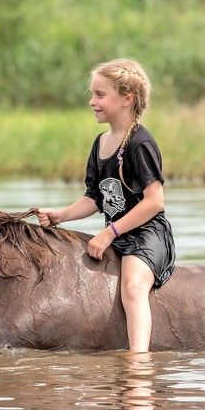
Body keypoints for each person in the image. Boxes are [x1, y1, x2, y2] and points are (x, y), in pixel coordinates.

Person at [38, 58, 176, 352]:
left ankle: (138, 362)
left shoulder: (141, 143)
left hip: (146, 235)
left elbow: (155, 202)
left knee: (133, 287)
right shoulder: (100, 142)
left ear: (127, 98)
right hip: (119, 233)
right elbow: (94, 198)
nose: (92, 102)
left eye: (100, 95)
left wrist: (110, 232)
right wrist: (62, 215)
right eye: (92, 94)